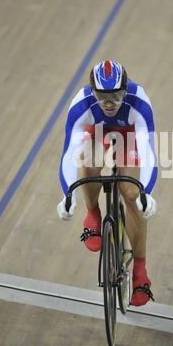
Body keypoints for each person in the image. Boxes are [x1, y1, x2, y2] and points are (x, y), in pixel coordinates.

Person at [57, 60, 157, 306]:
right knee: (87, 159)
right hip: (97, 135)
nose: (110, 104)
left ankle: (140, 273)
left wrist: (146, 192)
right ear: (93, 94)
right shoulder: (81, 104)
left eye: (116, 96)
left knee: (132, 195)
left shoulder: (139, 101)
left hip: (130, 139)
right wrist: (67, 194)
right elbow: (70, 151)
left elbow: (148, 151)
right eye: (103, 98)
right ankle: (93, 214)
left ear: (126, 90)